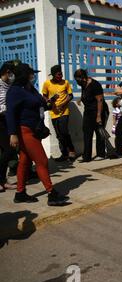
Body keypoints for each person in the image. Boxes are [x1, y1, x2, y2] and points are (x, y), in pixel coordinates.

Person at [6, 63, 69, 206]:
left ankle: (20, 193)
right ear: (24, 75)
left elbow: (40, 104)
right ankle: (51, 194)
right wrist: (12, 134)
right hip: (25, 131)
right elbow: (10, 113)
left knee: (25, 161)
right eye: (30, 74)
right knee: (42, 161)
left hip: (34, 129)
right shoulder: (15, 91)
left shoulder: (30, 89)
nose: (33, 76)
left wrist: (50, 102)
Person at [74, 69, 110, 162]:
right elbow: (86, 93)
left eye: (78, 80)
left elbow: (100, 100)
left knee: (99, 133)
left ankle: (101, 154)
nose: (77, 83)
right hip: (88, 111)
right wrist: (80, 98)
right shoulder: (83, 84)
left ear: (84, 78)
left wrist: (98, 116)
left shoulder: (95, 84)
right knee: (87, 133)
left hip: (99, 111)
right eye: (76, 80)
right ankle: (87, 157)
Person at [42, 65, 76, 162]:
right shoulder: (47, 83)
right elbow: (44, 96)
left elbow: (70, 96)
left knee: (64, 132)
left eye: (61, 74)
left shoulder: (65, 82)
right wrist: (49, 101)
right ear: (53, 75)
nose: (60, 76)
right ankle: (64, 154)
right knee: (59, 134)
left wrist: (63, 104)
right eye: (58, 75)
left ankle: (72, 150)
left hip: (64, 111)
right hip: (53, 112)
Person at [0, 61, 17, 192]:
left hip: (7, 120)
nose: (13, 76)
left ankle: (2, 180)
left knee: (8, 151)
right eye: (12, 73)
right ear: (7, 72)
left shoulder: (9, 84)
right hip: (1, 119)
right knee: (8, 150)